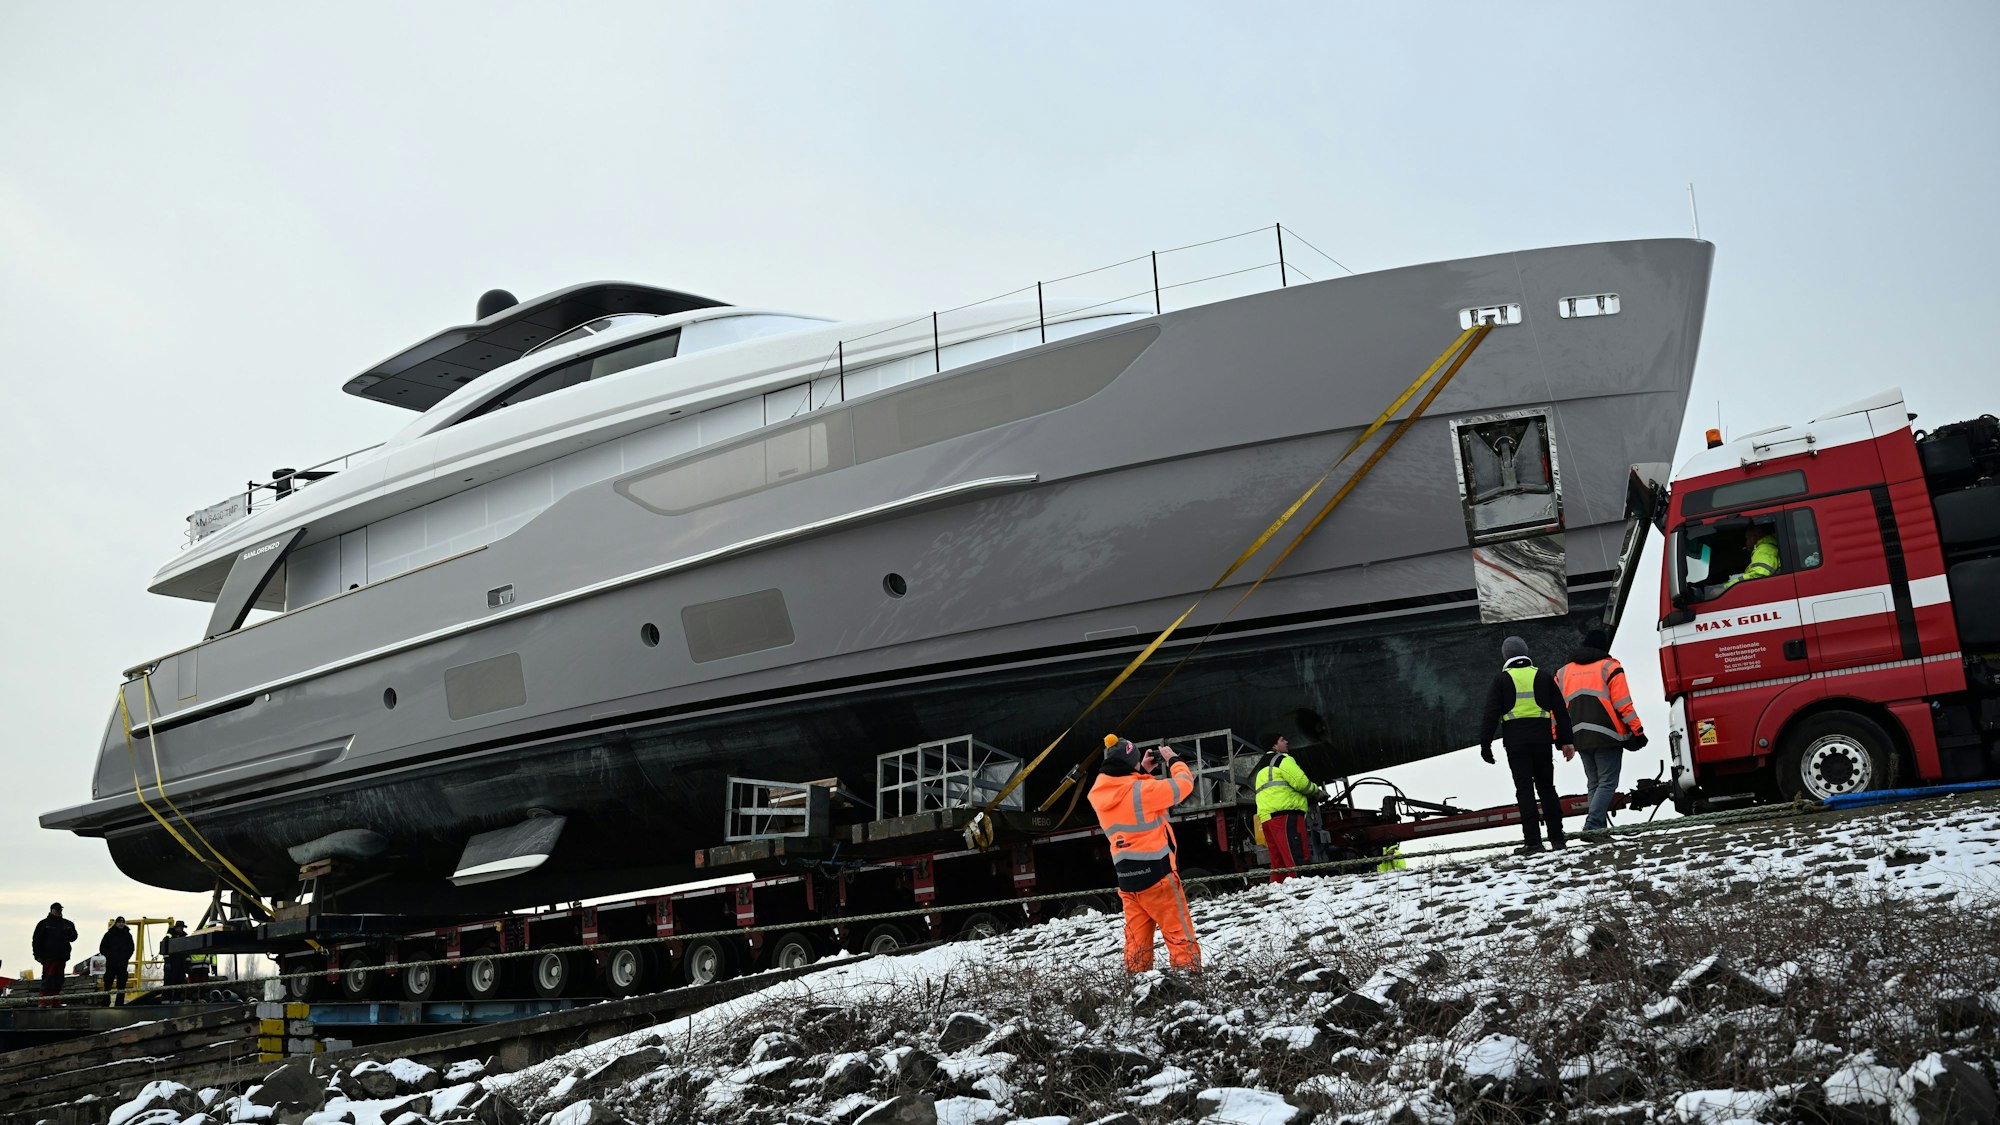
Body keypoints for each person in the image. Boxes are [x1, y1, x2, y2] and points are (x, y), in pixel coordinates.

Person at [1088, 734, 1202, 972]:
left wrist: (1141, 770)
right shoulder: (1143, 791)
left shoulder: (1100, 794)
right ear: (1130, 763)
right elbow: (1184, 785)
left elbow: (1131, 796)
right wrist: (1173, 761)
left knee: (1136, 941)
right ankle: (1190, 980)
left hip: (1128, 880)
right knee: (1178, 933)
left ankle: (1138, 986)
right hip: (1158, 876)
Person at [1479, 636, 1577, 855]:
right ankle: (1558, 839)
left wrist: (1485, 745)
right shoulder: (1542, 677)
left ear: (1506, 656)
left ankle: (1533, 842)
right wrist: (1565, 741)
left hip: (1516, 744)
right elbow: (1561, 712)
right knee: (1547, 789)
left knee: (1524, 791)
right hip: (1542, 742)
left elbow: (1490, 715)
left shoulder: (1501, 681)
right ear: (1526, 652)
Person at [1556, 627, 1650, 840]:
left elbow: (1556, 710)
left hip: (1578, 736)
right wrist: (1638, 731)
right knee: (1607, 782)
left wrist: (1560, 737)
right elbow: (1623, 704)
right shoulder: (1610, 667)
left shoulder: (1563, 673)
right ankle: (1593, 827)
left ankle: (1598, 829)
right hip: (1608, 735)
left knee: (1594, 783)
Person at [1252, 735, 1319, 883]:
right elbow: (1301, 783)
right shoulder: (1283, 760)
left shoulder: (1262, 767)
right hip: (1286, 815)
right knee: (1296, 856)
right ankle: (1303, 889)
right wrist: (1316, 791)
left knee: (1278, 862)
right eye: (1282, 740)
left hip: (1267, 817)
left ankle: (1278, 891)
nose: (1287, 742)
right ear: (1274, 746)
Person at [31, 903, 76, 1007]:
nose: (59, 911)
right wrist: (37, 955)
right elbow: (36, 940)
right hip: (48, 957)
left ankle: (55, 1001)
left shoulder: (67, 924)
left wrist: (70, 932)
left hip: (62, 956)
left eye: (60, 909)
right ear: (51, 910)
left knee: (59, 979)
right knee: (48, 978)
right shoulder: (43, 924)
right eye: (57, 909)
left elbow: (73, 937)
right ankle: (43, 1001)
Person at [98, 916, 135, 1006]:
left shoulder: (127, 935)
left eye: (122, 922)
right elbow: (102, 947)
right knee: (108, 984)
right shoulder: (109, 934)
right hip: (111, 964)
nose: (121, 924)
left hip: (122, 964)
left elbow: (131, 948)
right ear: (116, 923)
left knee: (121, 985)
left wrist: (126, 957)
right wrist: (109, 956)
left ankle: (119, 1003)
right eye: (119, 922)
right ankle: (106, 1002)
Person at [162, 920, 192, 993]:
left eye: (182, 928)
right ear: (176, 928)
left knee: (180, 983)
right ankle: (166, 1001)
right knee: (169, 983)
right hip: (172, 964)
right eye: (180, 927)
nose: (181, 929)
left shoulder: (184, 938)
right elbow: (164, 949)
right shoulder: (169, 936)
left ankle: (177, 1001)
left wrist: (187, 965)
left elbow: (187, 953)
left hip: (181, 965)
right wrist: (167, 961)